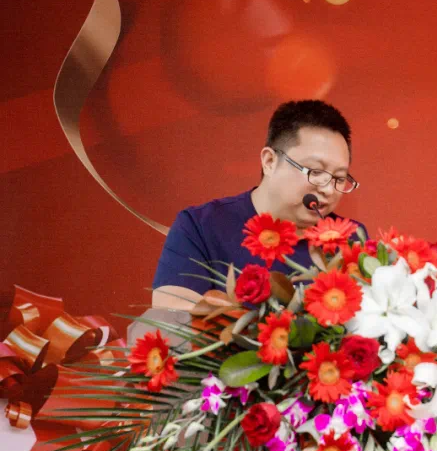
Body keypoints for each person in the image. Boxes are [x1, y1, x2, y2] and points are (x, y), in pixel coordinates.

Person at [152, 99, 366, 310]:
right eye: (315, 172)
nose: (328, 189)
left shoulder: (350, 238)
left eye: (339, 178)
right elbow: (170, 311)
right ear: (269, 161)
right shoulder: (201, 226)